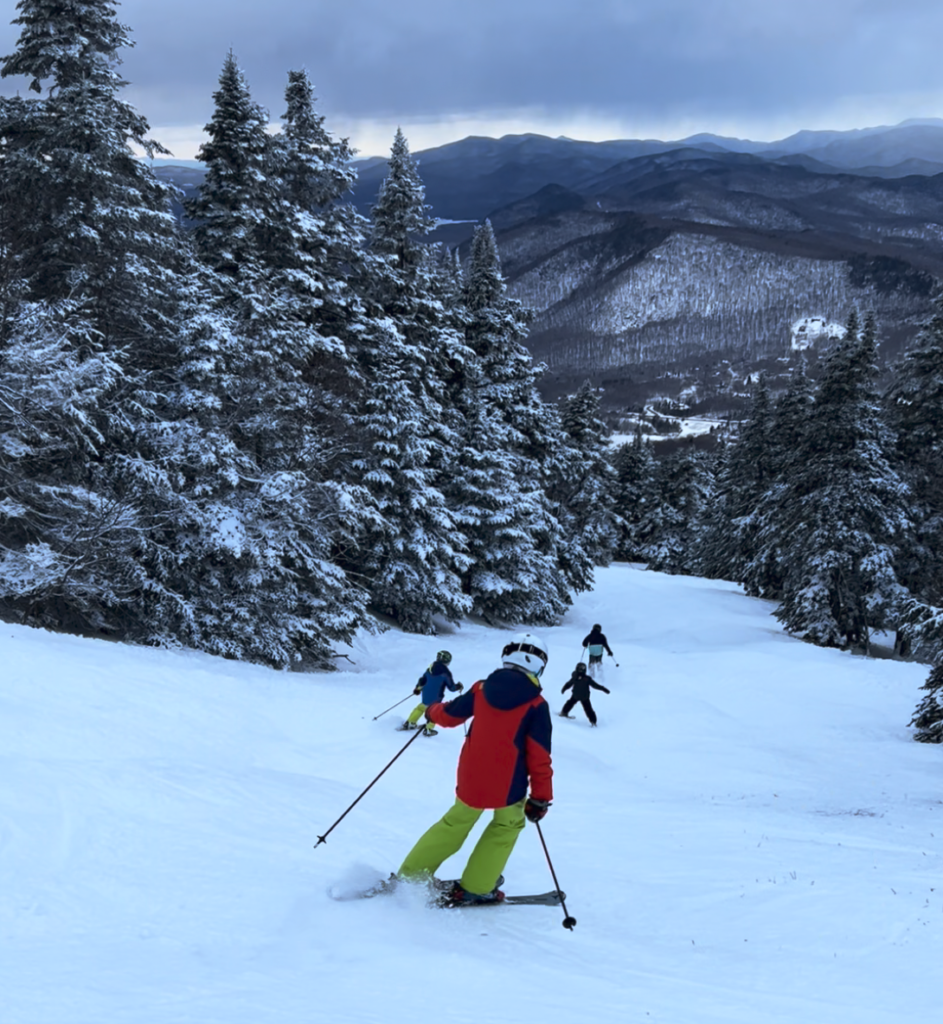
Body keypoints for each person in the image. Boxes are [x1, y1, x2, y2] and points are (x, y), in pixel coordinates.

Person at [397, 633, 553, 904]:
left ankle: (411, 875)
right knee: (506, 826)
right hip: (510, 786)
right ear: (538, 665)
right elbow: (539, 756)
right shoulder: (536, 705)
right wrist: (541, 797)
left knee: (454, 823)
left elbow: (449, 716)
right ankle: (478, 886)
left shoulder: (481, 689)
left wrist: (432, 710)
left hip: (471, 777)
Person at [401, 651, 463, 735]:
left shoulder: (430, 668)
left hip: (426, 694)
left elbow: (422, 680)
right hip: (436, 697)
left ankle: (410, 722)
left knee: (421, 707)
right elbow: (451, 688)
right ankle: (428, 729)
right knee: (434, 712)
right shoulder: (446, 673)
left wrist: (417, 688)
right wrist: (458, 686)